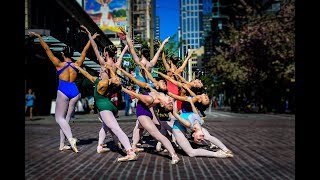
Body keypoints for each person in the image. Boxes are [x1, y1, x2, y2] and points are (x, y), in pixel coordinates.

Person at [29, 31, 97, 153]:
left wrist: (39, 37)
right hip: (75, 92)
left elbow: (46, 49)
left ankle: (71, 139)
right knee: (65, 120)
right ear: (71, 54)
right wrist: (91, 39)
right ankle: (62, 145)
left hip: (64, 91)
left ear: (62, 53)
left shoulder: (59, 64)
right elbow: (85, 51)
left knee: (59, 118)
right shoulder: (77, 64)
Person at [74, 63, 137, 161]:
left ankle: (130, 152)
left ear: (106, 74)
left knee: (116, 129)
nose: (100, 72)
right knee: (105, 126)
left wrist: (110, 69)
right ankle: (100, 146)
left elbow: (116, 81)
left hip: (105, 108)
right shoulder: (100, 80)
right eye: (100, 71)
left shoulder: (105, 82)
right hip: (107, 106)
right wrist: (79, 68)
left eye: (102, 71)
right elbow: (87, 75)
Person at [119, 66, 180, 164]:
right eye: (170, 103)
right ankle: (134, 146)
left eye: (169, 104)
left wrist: (121, 87)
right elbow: (146, 80)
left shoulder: (150, 99)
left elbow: (134, 94)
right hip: (145, 111)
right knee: (139, 128)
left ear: (162, 104)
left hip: (143, 114)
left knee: (157, 135)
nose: (170, 101)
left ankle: (174, 155)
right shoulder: (157, 93)